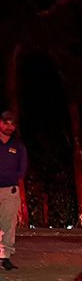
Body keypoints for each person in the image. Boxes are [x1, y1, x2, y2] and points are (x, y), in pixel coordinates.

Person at [0, 110, 28, 270]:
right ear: (0, 123)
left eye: (12, 124)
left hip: (9, 190)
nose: (9, 126)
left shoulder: (18, 146)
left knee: (8, 224)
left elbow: (22, 168)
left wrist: (14, 178)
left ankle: (5, 257)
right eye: (6, 123)